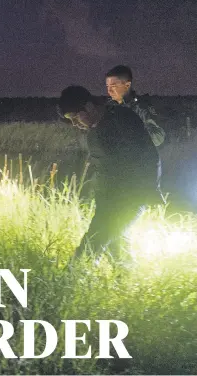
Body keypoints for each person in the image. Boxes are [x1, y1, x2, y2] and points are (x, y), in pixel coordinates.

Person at [58, 86, 161, 261]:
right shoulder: (93, 134)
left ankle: (71, 277)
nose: (75, 124)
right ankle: (124, 279)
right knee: (117, 246)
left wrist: (151, 188)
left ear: (89, 107)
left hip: (133, 195)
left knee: (94, 242)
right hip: (108, 198)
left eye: (75, 117)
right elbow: (102, 168)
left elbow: (148, 156)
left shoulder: (122, 119)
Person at [105, 65, 165, 147]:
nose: (109, 91)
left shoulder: (141, 108)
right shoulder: (108, 108)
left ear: (127, 85)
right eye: (107, 86)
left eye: (113, 86)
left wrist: (131, 132)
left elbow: (158, 138)